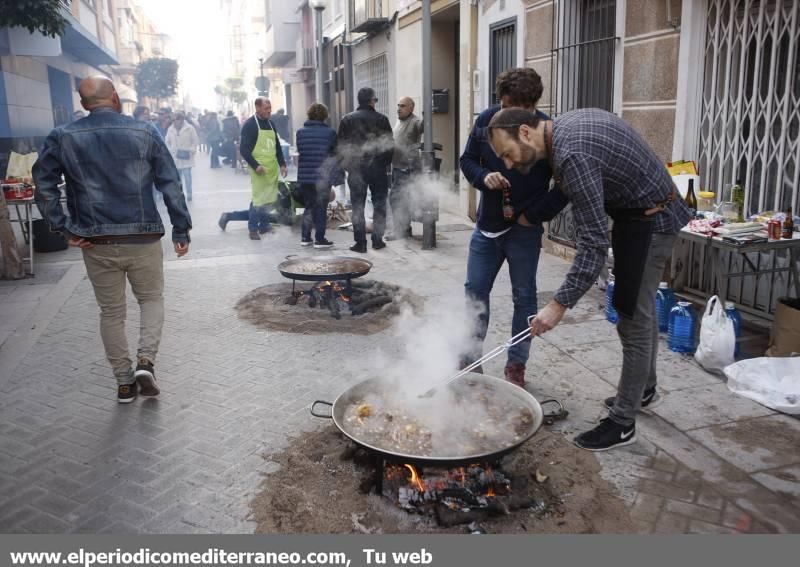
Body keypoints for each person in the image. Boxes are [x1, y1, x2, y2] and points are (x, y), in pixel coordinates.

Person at [486, 106, 692, 451]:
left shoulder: (571, 154)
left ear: (525, 132)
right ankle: (644, 389)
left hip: (652, 221)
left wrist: (558, 304)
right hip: (639, 214)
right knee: (637, 310)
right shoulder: (563, 129)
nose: (508, 164)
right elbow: (571, 192)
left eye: (507, 154)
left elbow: (593, 244)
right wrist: (532, 216)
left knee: (632, 319)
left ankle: (623, 423)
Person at [32, 76, 192, 404]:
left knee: (111, 311)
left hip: (95, 240)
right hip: (143, 235)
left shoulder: (63, 136)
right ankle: (145, 362)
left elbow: (43, 184)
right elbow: (170, 182)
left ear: (83, 103)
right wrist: (180, 228)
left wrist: (64, 228)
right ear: (115, 97)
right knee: (150, 299)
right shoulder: (145, 132)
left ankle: (123, 382)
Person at [459, 68, 568, 387]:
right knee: (475, 292)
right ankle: (469, 358)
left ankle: (516, 365)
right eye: (503, 105)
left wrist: (531, 217)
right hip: (487, 227)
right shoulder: (486, 121)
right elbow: (467, 160)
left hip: (524, 230)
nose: (505, 113)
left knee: (525, 298)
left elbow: (563, 188)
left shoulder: (548, 131)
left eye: (513, 108)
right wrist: (483, 178)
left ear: (532, 105)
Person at [217, 97, 287, 240]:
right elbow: (244, 149)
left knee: (268, 198)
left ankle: (264, 225)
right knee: (258, 199)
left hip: (271, 168)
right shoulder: (250, 125)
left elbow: (277, 146)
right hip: (259, 168)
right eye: (266, 108)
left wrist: (282, 164)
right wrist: (255, 166)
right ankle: (253, 228)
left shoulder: (271, 123)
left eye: (270, 108)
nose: (269, 111)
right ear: (258, 108)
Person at [336, 87, 394, 253]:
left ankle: (360, 243)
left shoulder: (347, 119)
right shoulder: (382, 119)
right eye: (375, 100)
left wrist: (347, 167)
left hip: (356, 169)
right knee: (380, 204)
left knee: (357, 207)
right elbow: (389, 145)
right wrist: (384, 164)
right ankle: (377, 240)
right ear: (371, 101)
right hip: (377, 169)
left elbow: (341, 147)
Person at [295, 103, 343, 248]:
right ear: (324, 116)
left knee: (309, 206)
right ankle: (320, 239)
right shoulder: (330, 133)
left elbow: (301, 151)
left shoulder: (300, 132)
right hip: (323, 176)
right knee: (321, 207)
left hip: (305, 176)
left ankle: (305, 237)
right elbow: (336, 155)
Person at [388, 96, 423, 241]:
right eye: (398, 105)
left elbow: (423, 126)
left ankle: (400, 231)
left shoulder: (415, 122)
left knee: (398, 199)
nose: (398, 108)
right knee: (400, 199)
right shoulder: (399, 122)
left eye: (402, 106)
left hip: (407, 168)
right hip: (397, 166)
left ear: (411, 108)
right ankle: (404, 229)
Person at [165, 111, 200, 202]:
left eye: (176, 119)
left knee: (187, 177)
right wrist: (171, 151)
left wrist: (191, 151)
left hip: (186, 157)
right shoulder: (170, 129)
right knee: (177, 178)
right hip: (175, 157)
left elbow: (195, 141)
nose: (174, 121)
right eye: (173, 120)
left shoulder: (190, 128)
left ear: (181, 119)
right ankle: (180, 194)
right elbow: (167, 141)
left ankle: (189, 194)